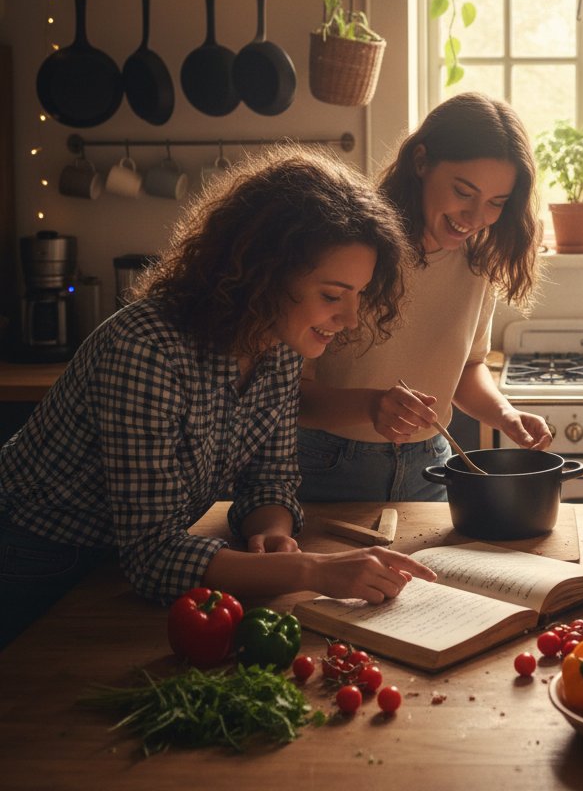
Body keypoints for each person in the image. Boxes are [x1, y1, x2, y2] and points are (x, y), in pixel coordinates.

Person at [0, 145, 436, 650]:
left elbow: (269, 477)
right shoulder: (146, 349)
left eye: (358, 295)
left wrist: (269, 530)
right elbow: (152, 558)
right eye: (332, 295)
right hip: (34, 555)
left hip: (117, 562)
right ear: (262, 272)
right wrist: (315, 570)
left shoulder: (278, 346)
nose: (351, 319)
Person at [298, 92, 552, 502]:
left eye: (496, 203)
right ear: (421, 162)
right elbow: (289, 394)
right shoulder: (349, 249)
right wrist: (371, 407)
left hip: (430, 466)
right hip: (326, 465)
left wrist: (505, 415)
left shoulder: (478, 262)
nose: (474, 218)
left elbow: (465, 369)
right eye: (464, 192)